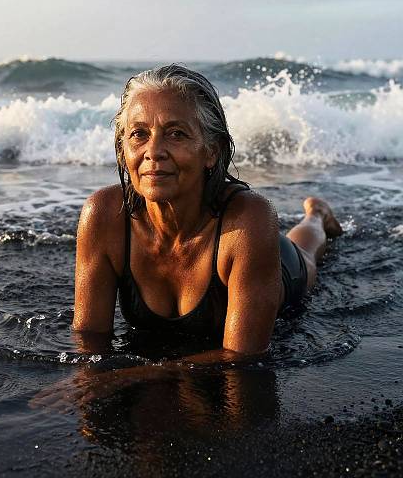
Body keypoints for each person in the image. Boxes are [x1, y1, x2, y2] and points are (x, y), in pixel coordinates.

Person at [72, 64, 343, 360]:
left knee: (306, 248)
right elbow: (89, 340)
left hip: (273, 262)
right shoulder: (103, 215)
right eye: (139, 134)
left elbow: (242, 355)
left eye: (176, 134)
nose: (154, 151)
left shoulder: (249, 218)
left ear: (212, 150)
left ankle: (316, 214)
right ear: (124, 149)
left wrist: (118, 379)